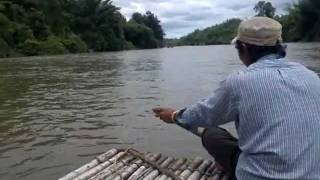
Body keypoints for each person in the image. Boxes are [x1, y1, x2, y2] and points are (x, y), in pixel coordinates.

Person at [153, 17, 320, 180]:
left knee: (212, 134)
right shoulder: (311, 76)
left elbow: (204, 115)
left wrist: (174, 116)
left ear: (244, 48)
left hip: (259, 174)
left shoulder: (239, 82)